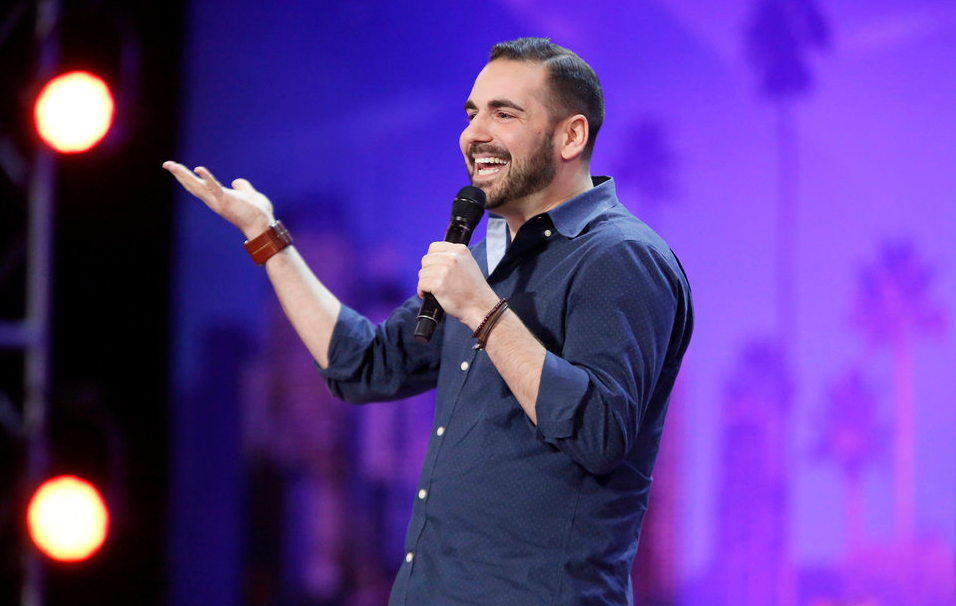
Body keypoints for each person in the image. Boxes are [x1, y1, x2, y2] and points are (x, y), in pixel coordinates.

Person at [165, 37, 693, 606]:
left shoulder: (619, 257)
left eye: (504, 114)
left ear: (571, 136)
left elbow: (601, 432)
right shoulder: (484, 262)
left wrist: (482, 310)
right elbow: (363, 364)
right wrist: (267, 238)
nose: (474, 133)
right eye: (472, 113)